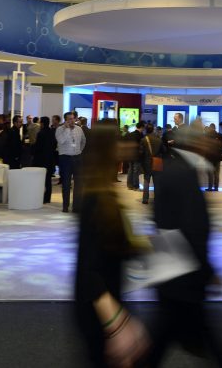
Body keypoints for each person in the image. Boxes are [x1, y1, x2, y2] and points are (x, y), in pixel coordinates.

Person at [150, 125, 222, 367]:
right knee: (163, 337)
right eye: (206, 139)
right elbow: (188, 229)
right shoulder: (182, 173)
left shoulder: (181, 169)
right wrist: (207, 271)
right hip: (181, 274)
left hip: (177, 272)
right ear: (194, 144)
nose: (213, 143)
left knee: (168, 335)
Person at [75, 123, 150, 367]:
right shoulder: (96, 199)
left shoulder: (104, 193)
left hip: (110, 302)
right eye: (121, 140)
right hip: (100, 310)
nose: (128, 144)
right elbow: (89, 269)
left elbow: (110, 247)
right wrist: (115, 323)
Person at [56, 112, 86, 213]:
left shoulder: (79, 129)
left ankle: (76, 206)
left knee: (79, 184)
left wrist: (79, 151)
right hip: (65, 158)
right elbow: (61, 141)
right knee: (66, 183)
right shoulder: (60, 130)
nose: (72, 121)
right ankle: (65, 206)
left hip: (77, 158)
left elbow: (83, 141)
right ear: (65, 120)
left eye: (73, 119)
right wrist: (67, 129)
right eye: (69, 119)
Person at [32, 116, 57, 204]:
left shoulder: (40, 133)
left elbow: (38, 148)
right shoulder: (52, 132)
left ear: (42, 123)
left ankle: (39, 197)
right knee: (48, 180)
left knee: (40, 180)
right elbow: (54, 145)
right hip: (50, 159)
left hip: (41, 160)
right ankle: (47, 198)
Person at [140, 123, 162, 204]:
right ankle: (157, 199)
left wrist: (141, 163)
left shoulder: (143, 140)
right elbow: (163, 151)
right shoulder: (159, 139)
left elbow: (141, 153)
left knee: (146, 181)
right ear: (153, 130)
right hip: (157, 163)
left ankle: (145, 199)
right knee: (157, 182)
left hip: (147, 164)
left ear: (146, 130)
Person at [126, 121, 145, 191]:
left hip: (130, 154)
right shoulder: (140, 135)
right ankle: (135, 186)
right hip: (137, 155)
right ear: (142, 127)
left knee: (130, 169)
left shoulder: (130, 134)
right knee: (136, 171)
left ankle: (129, 185)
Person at [205, 123, 222, 192]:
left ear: (210, 128)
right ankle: (216, 187)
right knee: (217, 173)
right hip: (218, 156)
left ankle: (210, 187)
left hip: (210, 156)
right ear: (215, 128)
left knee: (210, 173)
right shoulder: (219, 135)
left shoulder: (207, 135)